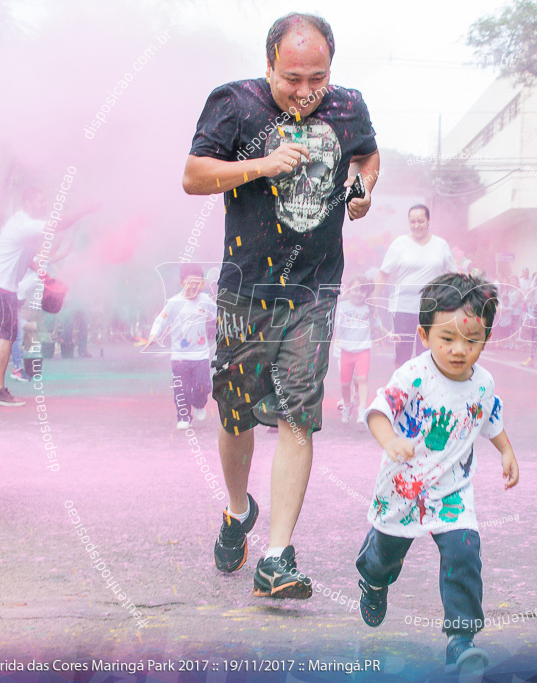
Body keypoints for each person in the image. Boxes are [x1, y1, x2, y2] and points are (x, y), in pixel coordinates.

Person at [182, 12, 379, 596]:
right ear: (269, 64)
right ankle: (240, 510)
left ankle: (277, 556)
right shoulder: (234, 104)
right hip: (246, 287)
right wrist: (260, 166)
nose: (305, 92)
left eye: (317, 77)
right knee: (236, 413)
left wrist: (365, 188)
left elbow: (367, 155)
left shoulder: (348, 107)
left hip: (315, 288)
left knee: (299, 412)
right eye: (292, 78)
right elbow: (193, 176)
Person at [355, 273, 518, 675]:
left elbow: (488, 418)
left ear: (485, 339)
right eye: (447, 339)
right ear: (425, 336)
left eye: (471, 340)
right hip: (403, 488)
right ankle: (373, 580)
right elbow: (378, 410)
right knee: (386, 557)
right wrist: (390, 440)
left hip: (452, 492)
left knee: (464, 554)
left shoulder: (484, 382)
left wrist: (506, 451)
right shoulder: (414, 375)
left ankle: (460, 641)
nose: (459, 350)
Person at [0, 188, 96, 406]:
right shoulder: (27, 225)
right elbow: (60, 224)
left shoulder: (21, 221)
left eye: (46, 201)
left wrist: (42, 273)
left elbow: (25, 255)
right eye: (40, 201)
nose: (44, 205)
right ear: (27, 202)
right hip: (1, 286)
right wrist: (83, 210)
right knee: (8, 334)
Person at [375, 205, 457, 368]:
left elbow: (453, 275)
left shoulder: (440, 245)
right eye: (412, 222)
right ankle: (401, 389)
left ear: (428, 221)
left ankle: (423, 390)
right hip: (402, 306)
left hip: (431, 308)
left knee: (426, 352)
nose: (416, 225)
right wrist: (374, 301)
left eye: (420, 221)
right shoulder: (399, 244)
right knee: (402, 351)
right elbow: (383, 273)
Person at [144, 263, 217, 429]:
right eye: (190, 282)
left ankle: (199, 404)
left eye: (198, 283)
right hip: (179, 356)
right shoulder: (174, 303)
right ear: (182, 282)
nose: (194, 287)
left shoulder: (205, 300)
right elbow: (161, 320)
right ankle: (183, 417)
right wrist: (154, 335)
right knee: (181, 389)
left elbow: (219, 314)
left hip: (201, 355)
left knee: (203, 385)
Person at [335, 276, 385, 423]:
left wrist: (390, 334)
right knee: (345, 384)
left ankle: (362, 408)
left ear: (367, 294)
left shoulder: (368, 308)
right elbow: (333, 325)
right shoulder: (342, 307)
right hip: (345, 350)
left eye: (362, 291)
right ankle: (348, 405)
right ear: (349, 290)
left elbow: (377, 324)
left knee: (362, 378)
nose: (358, 294)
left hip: (363, 349)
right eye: (355, 289)